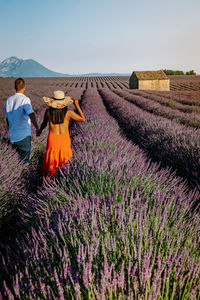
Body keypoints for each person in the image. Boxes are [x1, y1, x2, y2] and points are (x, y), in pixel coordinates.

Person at [37, 90, 85, 177]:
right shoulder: (69, 112)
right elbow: (82, 119)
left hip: (52, 139)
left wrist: (39, 130)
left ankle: (50, 181)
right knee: (64, 161)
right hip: (64, 139)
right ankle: (62, 179)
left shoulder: (48, 112)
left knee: (51, 161)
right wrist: (77, 104)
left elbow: (44, 124)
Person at [4, 78, 39, 163]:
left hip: (13, 136)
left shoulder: (8, 100)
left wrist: (10, 130)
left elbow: (7, 119)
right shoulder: (25, 99)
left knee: (14, 161)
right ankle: (24, 175)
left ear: (15, 87)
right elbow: (31, 114)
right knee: (24, 161)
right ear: (24, 87)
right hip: (23, 135)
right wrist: (37, 128)